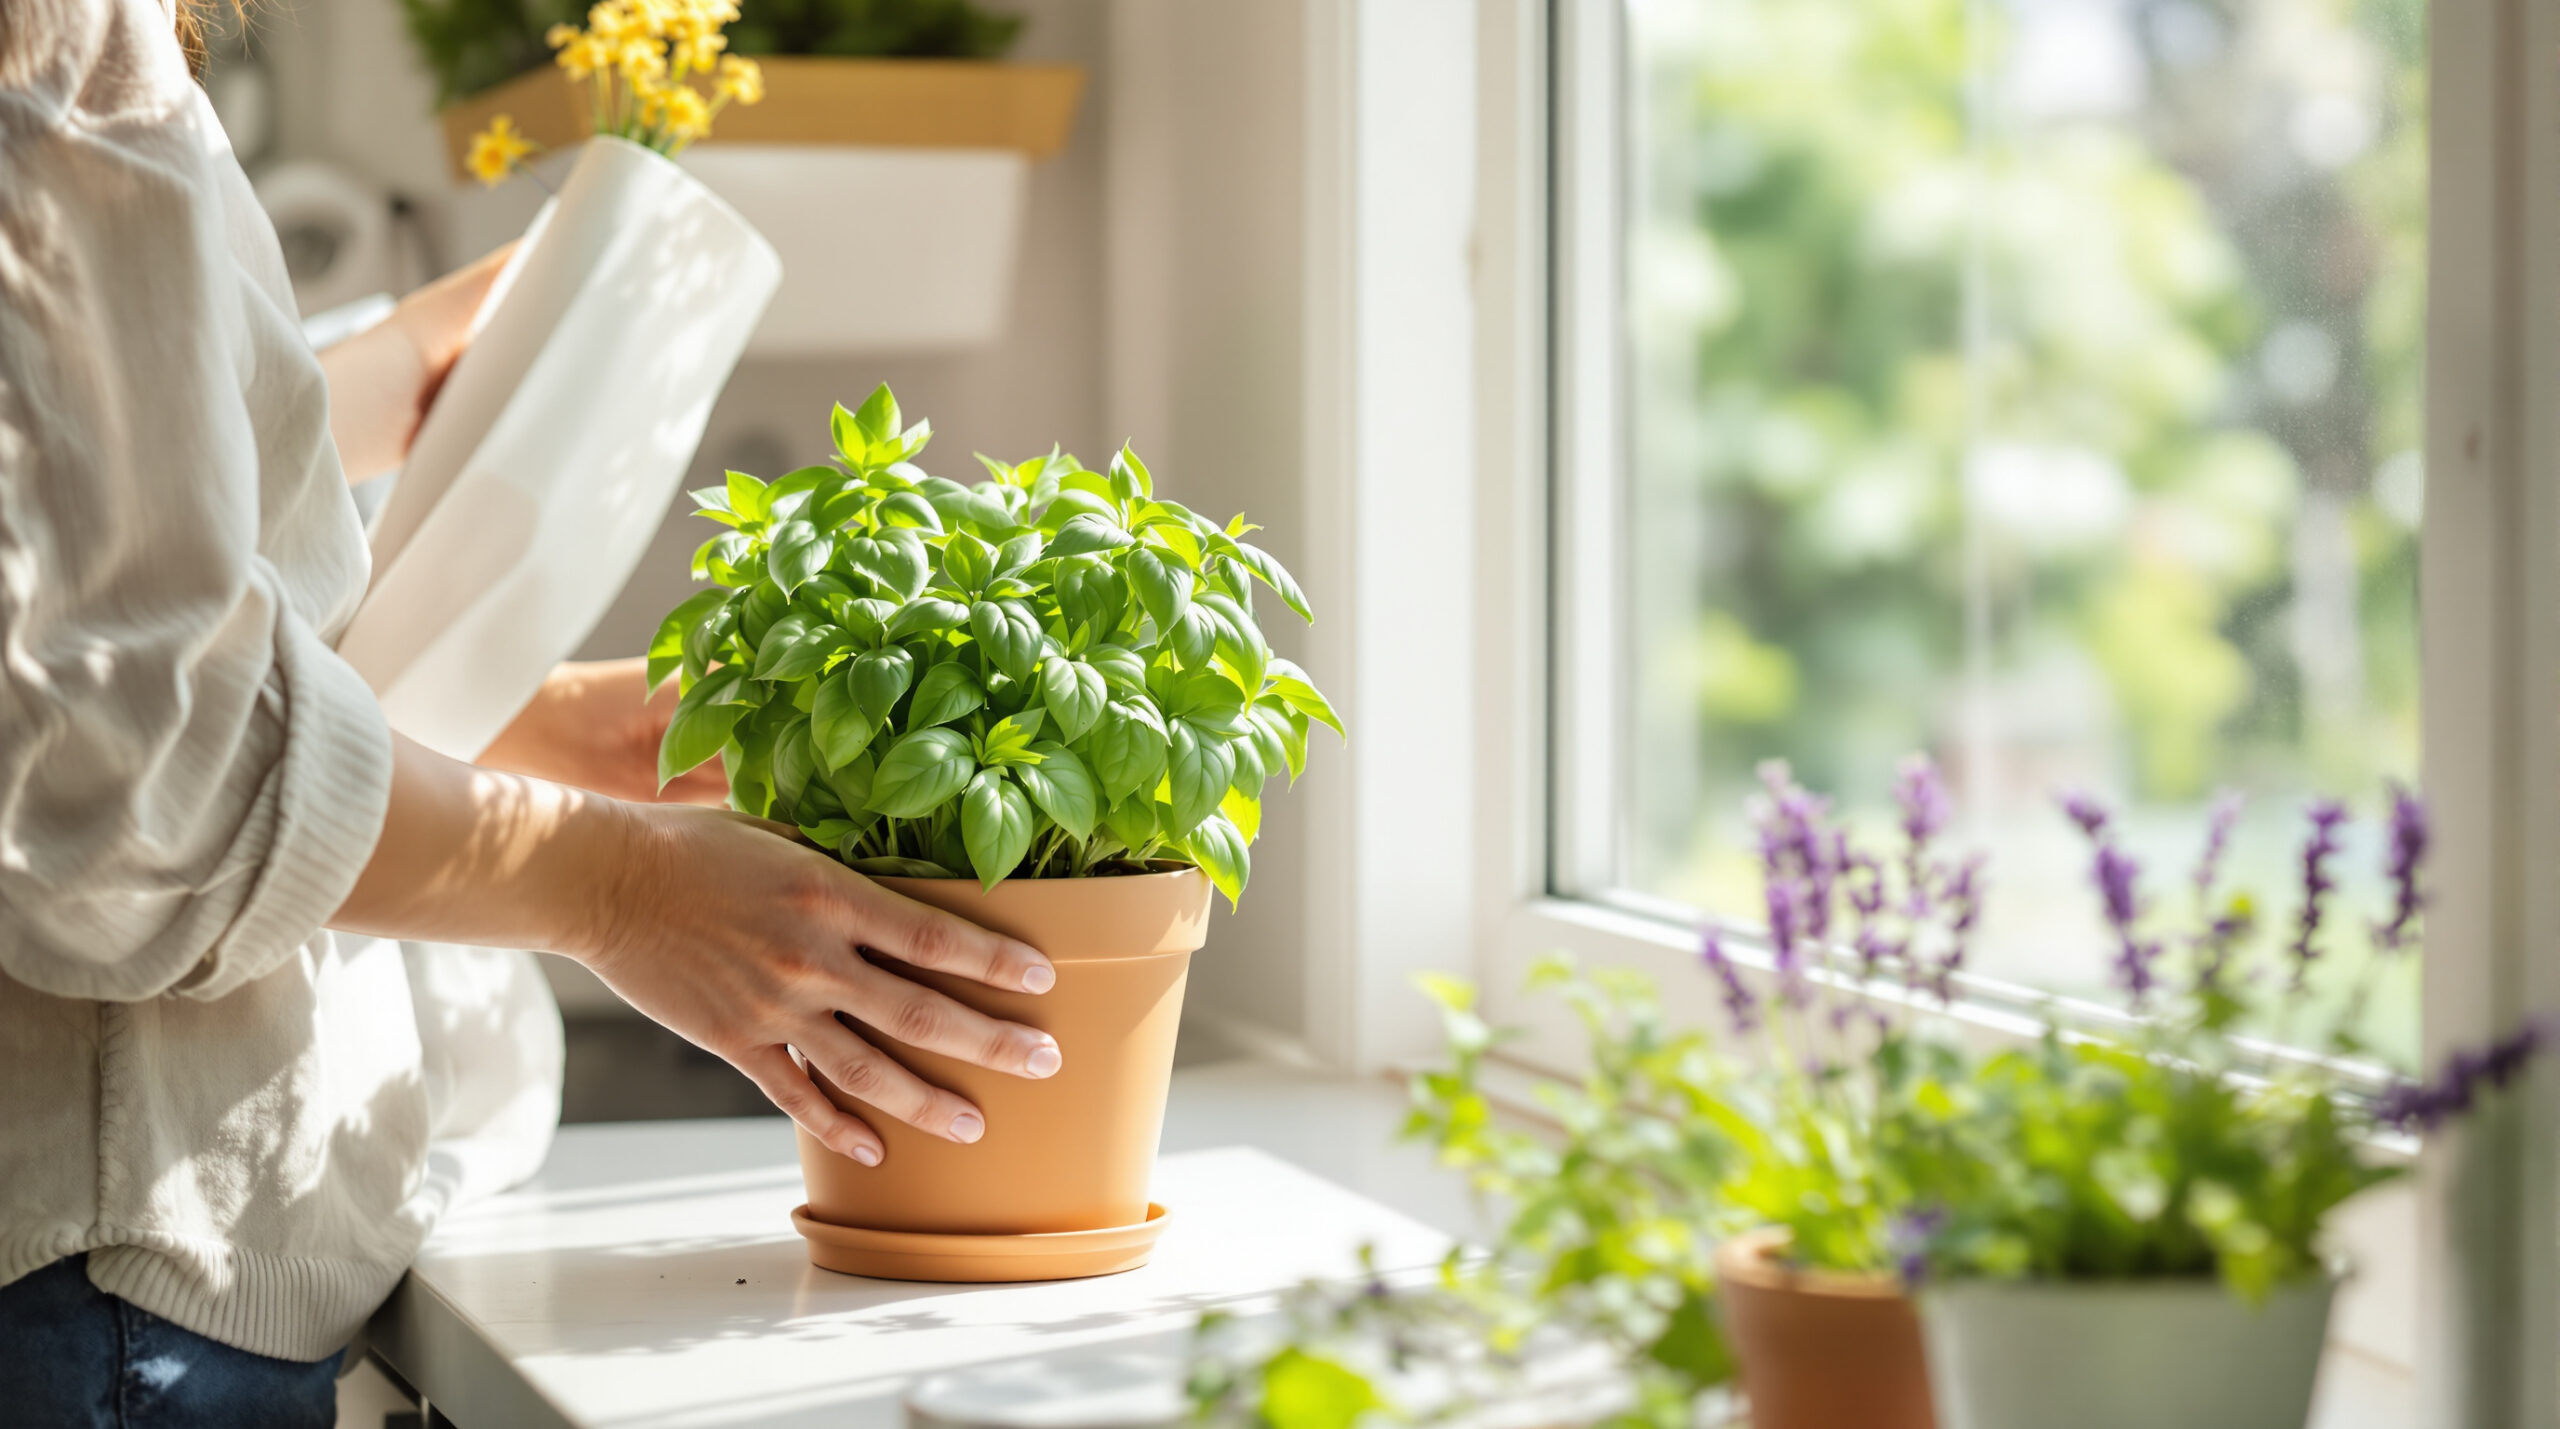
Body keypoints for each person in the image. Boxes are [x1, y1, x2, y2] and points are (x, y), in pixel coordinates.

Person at [0, 1, 1062, 1422]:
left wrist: (355, 411)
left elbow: (80, 562)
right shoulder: (56, 31)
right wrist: (623, 886)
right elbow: (124, 767)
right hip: (106, 1284)